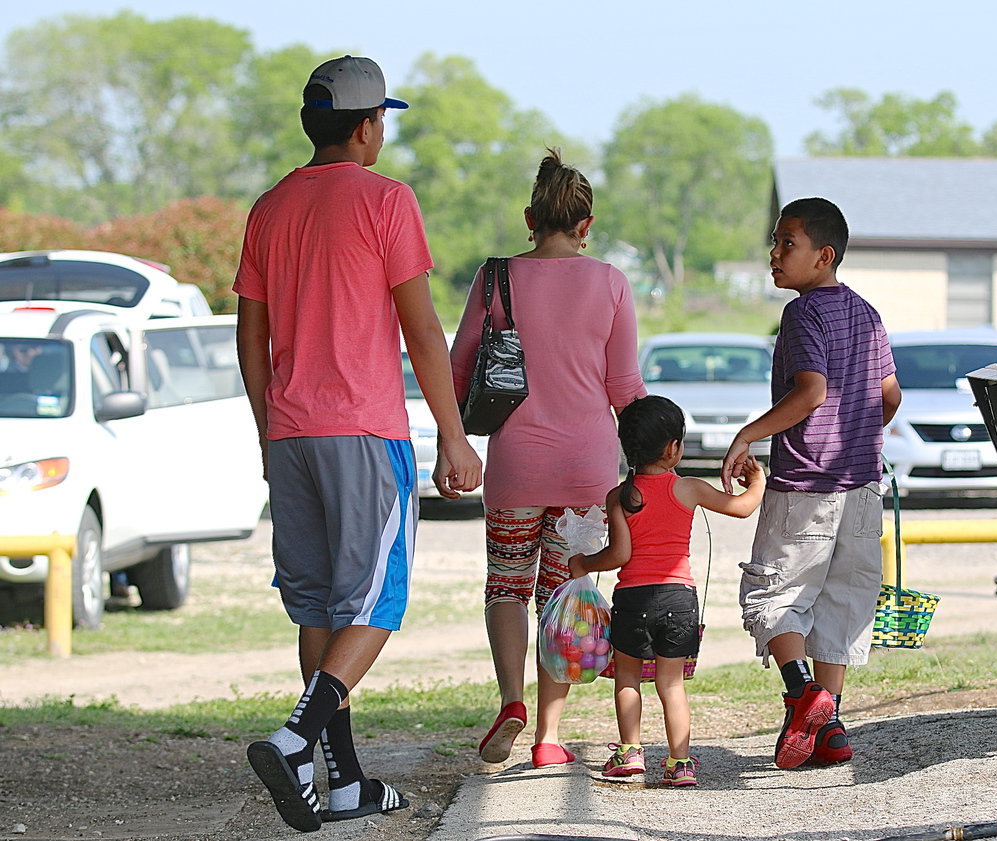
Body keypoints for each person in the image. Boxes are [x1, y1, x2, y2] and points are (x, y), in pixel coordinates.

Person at [234, 55, 482, 832]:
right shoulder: (386, 199)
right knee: (377, 600)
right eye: (383, 120)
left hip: (291, 433)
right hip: (365, 432)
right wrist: (452, 433)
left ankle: (343, 783)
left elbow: (251, 334)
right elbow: (421, 326)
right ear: (369, 125)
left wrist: (267, 426)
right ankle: (297, 735)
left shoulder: (270, 207)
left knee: (318, 606)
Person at [450, 148, 646, 769]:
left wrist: (447, 444)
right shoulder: (610, 282)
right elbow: (624, 388)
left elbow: (460, 371)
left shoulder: (495, 277)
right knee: (562, 593)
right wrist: (651, 461)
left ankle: (510, 700)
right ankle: (548, 735)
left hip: (515, 465)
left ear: (530, 217)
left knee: (506, 585)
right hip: (587, 470)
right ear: (585, 226)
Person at [721, 197, 902, 771]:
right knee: (841, 606)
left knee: (774, 594)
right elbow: (890, 396)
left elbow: (810, 393)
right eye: (774, 242)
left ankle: (802, 693)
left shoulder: (804, 315)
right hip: (862, 487)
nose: (774, 254)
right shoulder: (868, 314)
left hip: (805, 484)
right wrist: (859, 437)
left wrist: (746, 435)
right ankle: (832, 730)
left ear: (824, 256)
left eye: (788, 243)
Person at [567, 395, 765, 787]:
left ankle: (630, 753)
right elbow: (743, 508)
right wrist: (758, 480)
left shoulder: (621, 496)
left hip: (633, 599)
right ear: (673, 447)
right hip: (679, 599)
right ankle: (680, 763)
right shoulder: (689, 488)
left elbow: (620, 554)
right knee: (670, 684)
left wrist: (583, 564)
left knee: (627, 679)